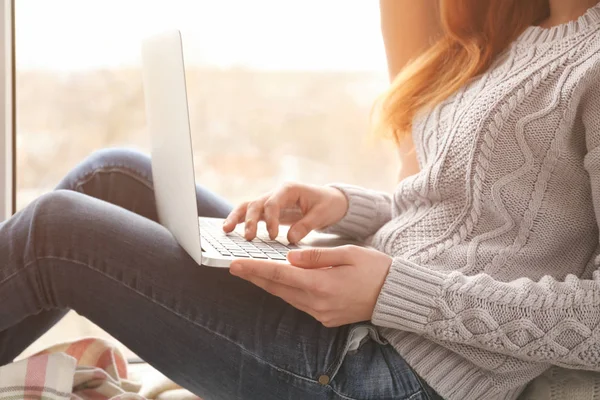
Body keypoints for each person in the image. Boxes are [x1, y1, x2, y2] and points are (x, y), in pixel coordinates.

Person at [2, 0, 600, 399]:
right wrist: (345, 206)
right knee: (114, 173)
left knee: (54, 232)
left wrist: (393, 292)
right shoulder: (519, 32)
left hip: (391, 372)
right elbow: (473, 214)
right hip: (372, 318)